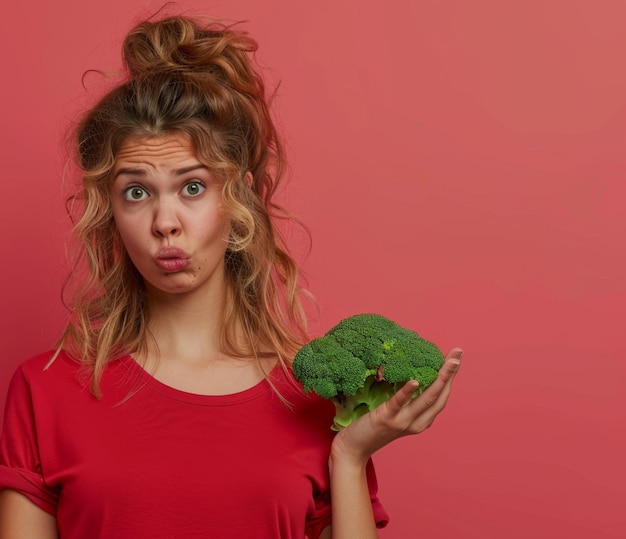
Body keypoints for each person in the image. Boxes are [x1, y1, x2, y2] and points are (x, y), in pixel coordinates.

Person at [0, 13, 463, 539]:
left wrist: (351, 457)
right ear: (109, 210)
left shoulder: (311, 397)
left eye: (192, 187)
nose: (165, 222)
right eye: (136, 192)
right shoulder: (45, 390)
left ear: (238, 197)